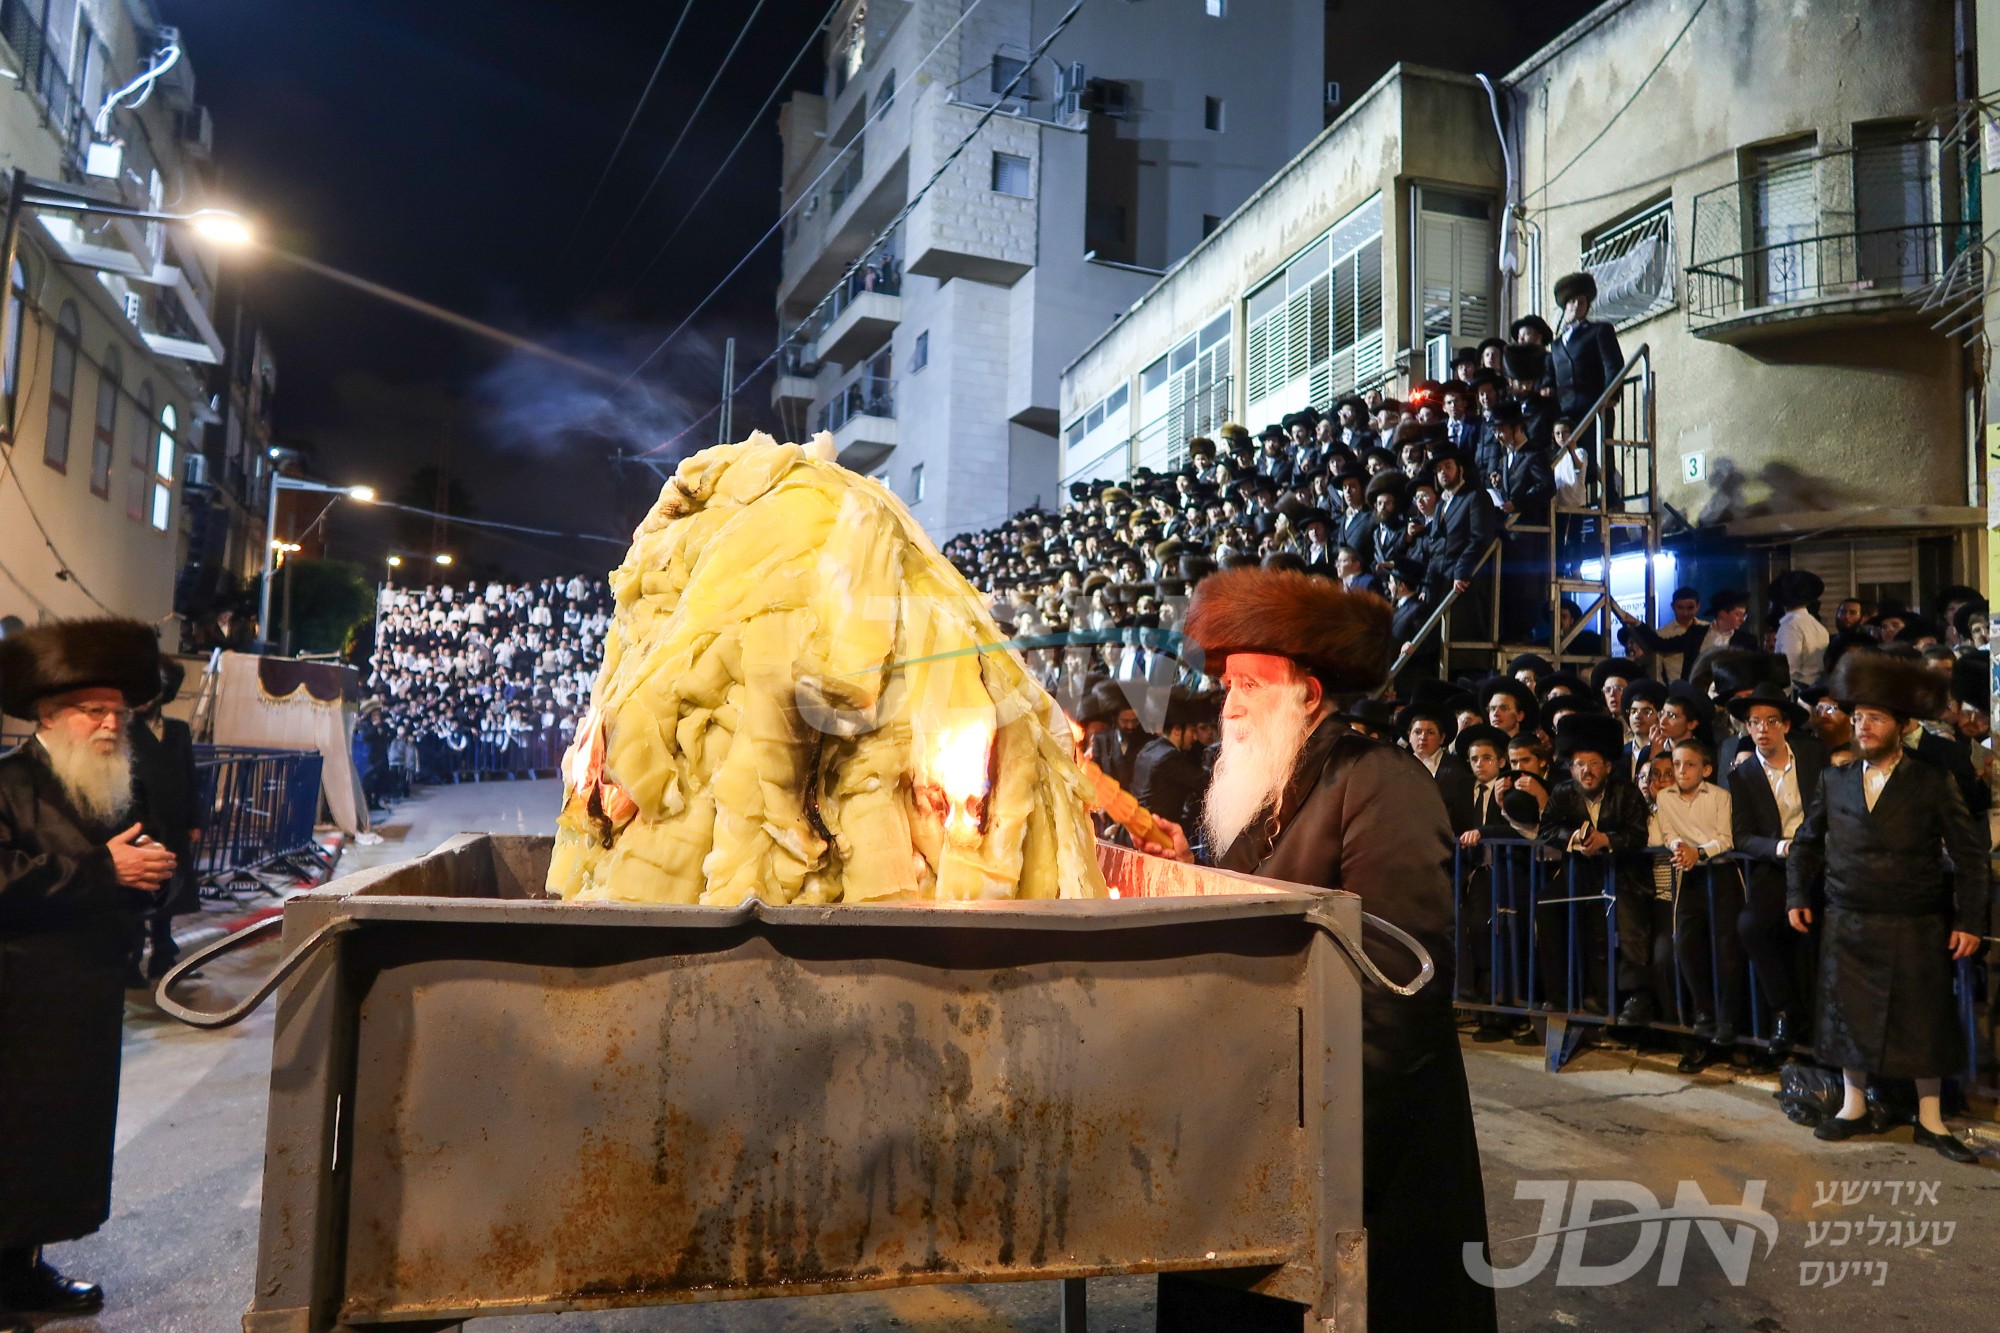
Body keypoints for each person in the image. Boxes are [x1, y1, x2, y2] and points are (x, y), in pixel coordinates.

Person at [1182, 567, 1495, 1333]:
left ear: (1309, 693)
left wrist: (1316, 1130)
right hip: (1263, 1113)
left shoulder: (1377, 781)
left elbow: (1401, 985)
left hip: (1364, 1140)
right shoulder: (1274, 788)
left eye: (1249, 684)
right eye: (1227, 685)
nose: (1229, 706)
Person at [0, 619, 179, 1330]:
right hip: (15, 998)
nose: (110, 723)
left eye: (118, 710)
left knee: (54, 1144)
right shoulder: (8, 781)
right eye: (91, 710)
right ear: (49, 713)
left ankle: (22, 1269)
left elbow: (141, 863)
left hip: (83, 999)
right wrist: (109, 869)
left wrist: (153, 880)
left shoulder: (114, 781)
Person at [1788, 650, 1989, 1164]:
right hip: (1848, 917)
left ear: (1903, 725)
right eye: (1857, 718)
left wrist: (1969, 920)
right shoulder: (1834, 780)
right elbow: (1807, 842)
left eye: (1875, 718)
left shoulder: (1931, 780)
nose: (1862, 727)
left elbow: (1970, 855)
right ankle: (1852, 1107)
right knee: (1847, 1017)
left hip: (1915, 919)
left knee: (1924, 1020)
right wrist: (1796, 895)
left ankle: (1931, 1120)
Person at [1537, 712, 1654, 1022]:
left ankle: (1627, 998)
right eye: (1579, 765)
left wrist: (1607, 840)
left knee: (1618, 926)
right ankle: (1558, 995)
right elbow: (1546, 829)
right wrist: (1574, 837)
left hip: (1621, 872)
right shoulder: (1563, 792)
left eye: (1593, 764)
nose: (1586, 771)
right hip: (1578, 871)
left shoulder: (1625, 792)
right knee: (1546, 905)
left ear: (1608, 767)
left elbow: (1638, 834)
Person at [1725, 682, 1822, 1052]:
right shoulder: (1742, 776)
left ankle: (1817, 1027)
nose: (1762, 729)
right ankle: (1783, 1011)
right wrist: (1781, 847)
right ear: (1747, 728)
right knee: (1751, 924)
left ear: (1784, 725)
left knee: (1811, 935)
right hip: (1777, 864)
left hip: (1819, 862)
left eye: (1769, 721)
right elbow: (1742, 836)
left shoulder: (1814, 758)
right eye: (1754, 722)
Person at [1648, 736, 1740, 1067]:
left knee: (1725, 947)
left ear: (1706, 768)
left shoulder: (1720, 796)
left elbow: (1725, 839)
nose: (1681, 771)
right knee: (1685, 943)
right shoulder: (1664, 796)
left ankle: (1727, 1019)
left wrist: (1697, 851)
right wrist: (1677, 847)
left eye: (1689, 764)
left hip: (1720, 873)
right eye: (1676, 764)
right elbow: (1668, 831)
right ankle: (1703, 1011)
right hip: (1688, 875)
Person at [125, 659, 203, 984]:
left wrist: (193, 819)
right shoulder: (125, 732)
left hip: (173, 824)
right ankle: (130, 963)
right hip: (140, 825)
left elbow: (189, 776)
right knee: (137, 896)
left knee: (169, 891)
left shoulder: (178, 730)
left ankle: (163, 957)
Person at [1548, 271, 1625, 446]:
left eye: (1582, 302)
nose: (1577, 305)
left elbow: (1613, 364)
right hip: (1566, 412)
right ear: (1565, 306)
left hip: (1594, 406)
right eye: (1572, 301)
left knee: (1596, 455)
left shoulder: (1598, 331)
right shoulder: (1557, 344)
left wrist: (1611, 395)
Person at [1130, 689, 1211, 836]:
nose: (1194, 737)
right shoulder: (1169, 758)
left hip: (1138, 830)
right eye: (1191, 731)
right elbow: (1205, 783)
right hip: (1155, 834)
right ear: (1177, 730)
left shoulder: (1148, 749)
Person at [1770, 570, 1831, 690]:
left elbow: (1788, 668)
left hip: (1796, 693)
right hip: (1814, 690)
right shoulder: (1818, 626)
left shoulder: (1791, 626)